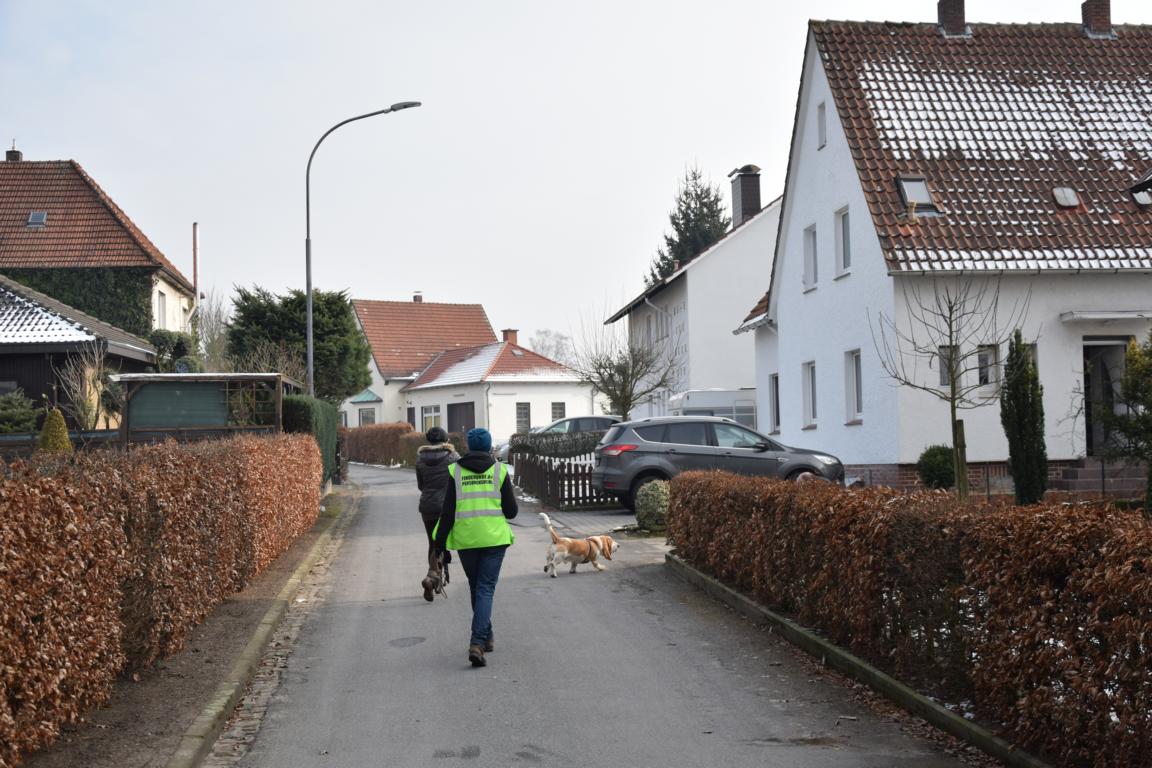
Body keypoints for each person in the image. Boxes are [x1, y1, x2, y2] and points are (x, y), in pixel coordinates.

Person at [433, 427, 517, 667]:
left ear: (469, 446)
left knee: (477, 586)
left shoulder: (455, 471)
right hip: (494, 539)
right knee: (486, 588)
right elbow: (511, 512)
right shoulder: (500, 471)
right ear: (489, 446)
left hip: (467, 540)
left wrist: (439, 545)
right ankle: (477, 642)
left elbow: (447, 512)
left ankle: (486, 637)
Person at [415, 426, 458, 601]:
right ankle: (433, 576)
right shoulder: (453, 458)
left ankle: (435, 575)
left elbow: (421, 485)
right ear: (446, 440)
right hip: (447, 507)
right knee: (444, 540)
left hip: (427, 506)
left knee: (433, 543)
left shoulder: (420, 459)